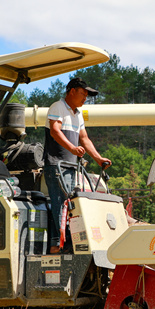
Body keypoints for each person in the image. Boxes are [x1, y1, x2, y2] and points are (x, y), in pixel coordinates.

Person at [45, 77, 110, 253]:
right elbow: (55, 131)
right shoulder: (57, 107)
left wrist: (98, 159)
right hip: (56, 165)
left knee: (69, 204)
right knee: (60, 204)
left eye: (87, 95)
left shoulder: (77, 114)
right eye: (83, 94)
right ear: (72, 91)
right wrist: (73, 148)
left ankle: (67, 242)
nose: (85, 98)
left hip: (70, 166)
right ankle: (56, 247)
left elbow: (84, 138)